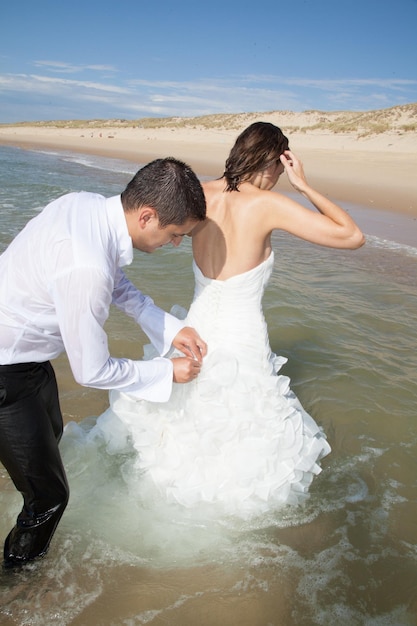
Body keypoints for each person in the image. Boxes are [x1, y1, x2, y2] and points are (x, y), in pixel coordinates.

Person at [93, 123, 366, 519]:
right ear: (273, 162)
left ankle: (159, 490)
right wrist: (304, 185)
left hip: (196, 326)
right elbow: (352, 235)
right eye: (279, 168)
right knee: (243, 425)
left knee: (182, 410)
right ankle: (225, 506)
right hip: (243, 334)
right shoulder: (267, 204)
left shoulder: (198, 194)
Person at [0, 157, 208, 567]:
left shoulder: (86, 205)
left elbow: (117, 281)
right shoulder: (87, 263)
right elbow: (92, 371)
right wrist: (166, 371)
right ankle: (16, 586)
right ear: (147, 215)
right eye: (175, 234)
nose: (177, 243)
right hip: (6, 369)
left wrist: (167, 326)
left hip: (30, 358)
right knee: (50, 497)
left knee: (51, 439)